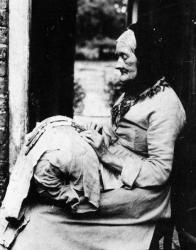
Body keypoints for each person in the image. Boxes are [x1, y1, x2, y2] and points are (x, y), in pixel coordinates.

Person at [0, 22, 186, 250]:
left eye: (125, 57)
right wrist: (88, 130)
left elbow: (159, 172)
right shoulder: (137, 91)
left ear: (146, 56)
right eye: (118, 57)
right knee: (38, 190)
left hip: (143, 194)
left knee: (47, 215)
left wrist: (107, 154)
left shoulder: (166, 104)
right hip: (114, 175)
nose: (118, 65)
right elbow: (115, 131)